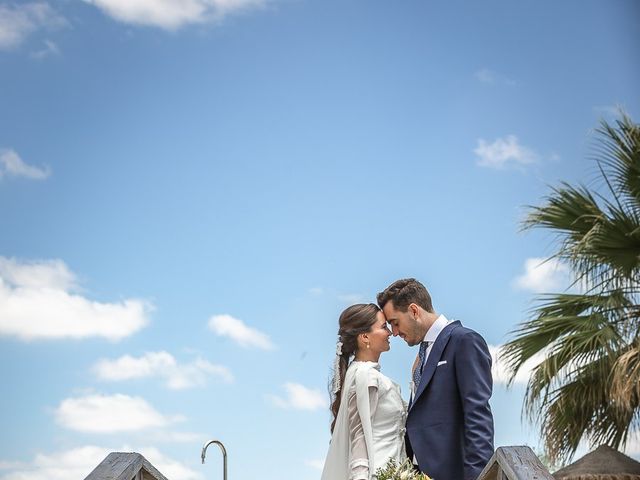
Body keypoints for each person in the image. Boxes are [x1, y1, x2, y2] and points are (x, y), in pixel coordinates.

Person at [377, 278, 494, 480]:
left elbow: (477, 414)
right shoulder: (420, 356)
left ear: (414, 311)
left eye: (395, 323)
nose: (394, 333)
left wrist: (479, 477)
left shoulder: (464, 340)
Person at [321, 303, 408, 480]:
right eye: (384, 327)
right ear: (365, 337)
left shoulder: (361, 373)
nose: (390, 332)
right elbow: (359, 436)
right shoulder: (366, 376)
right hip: (380, 474)